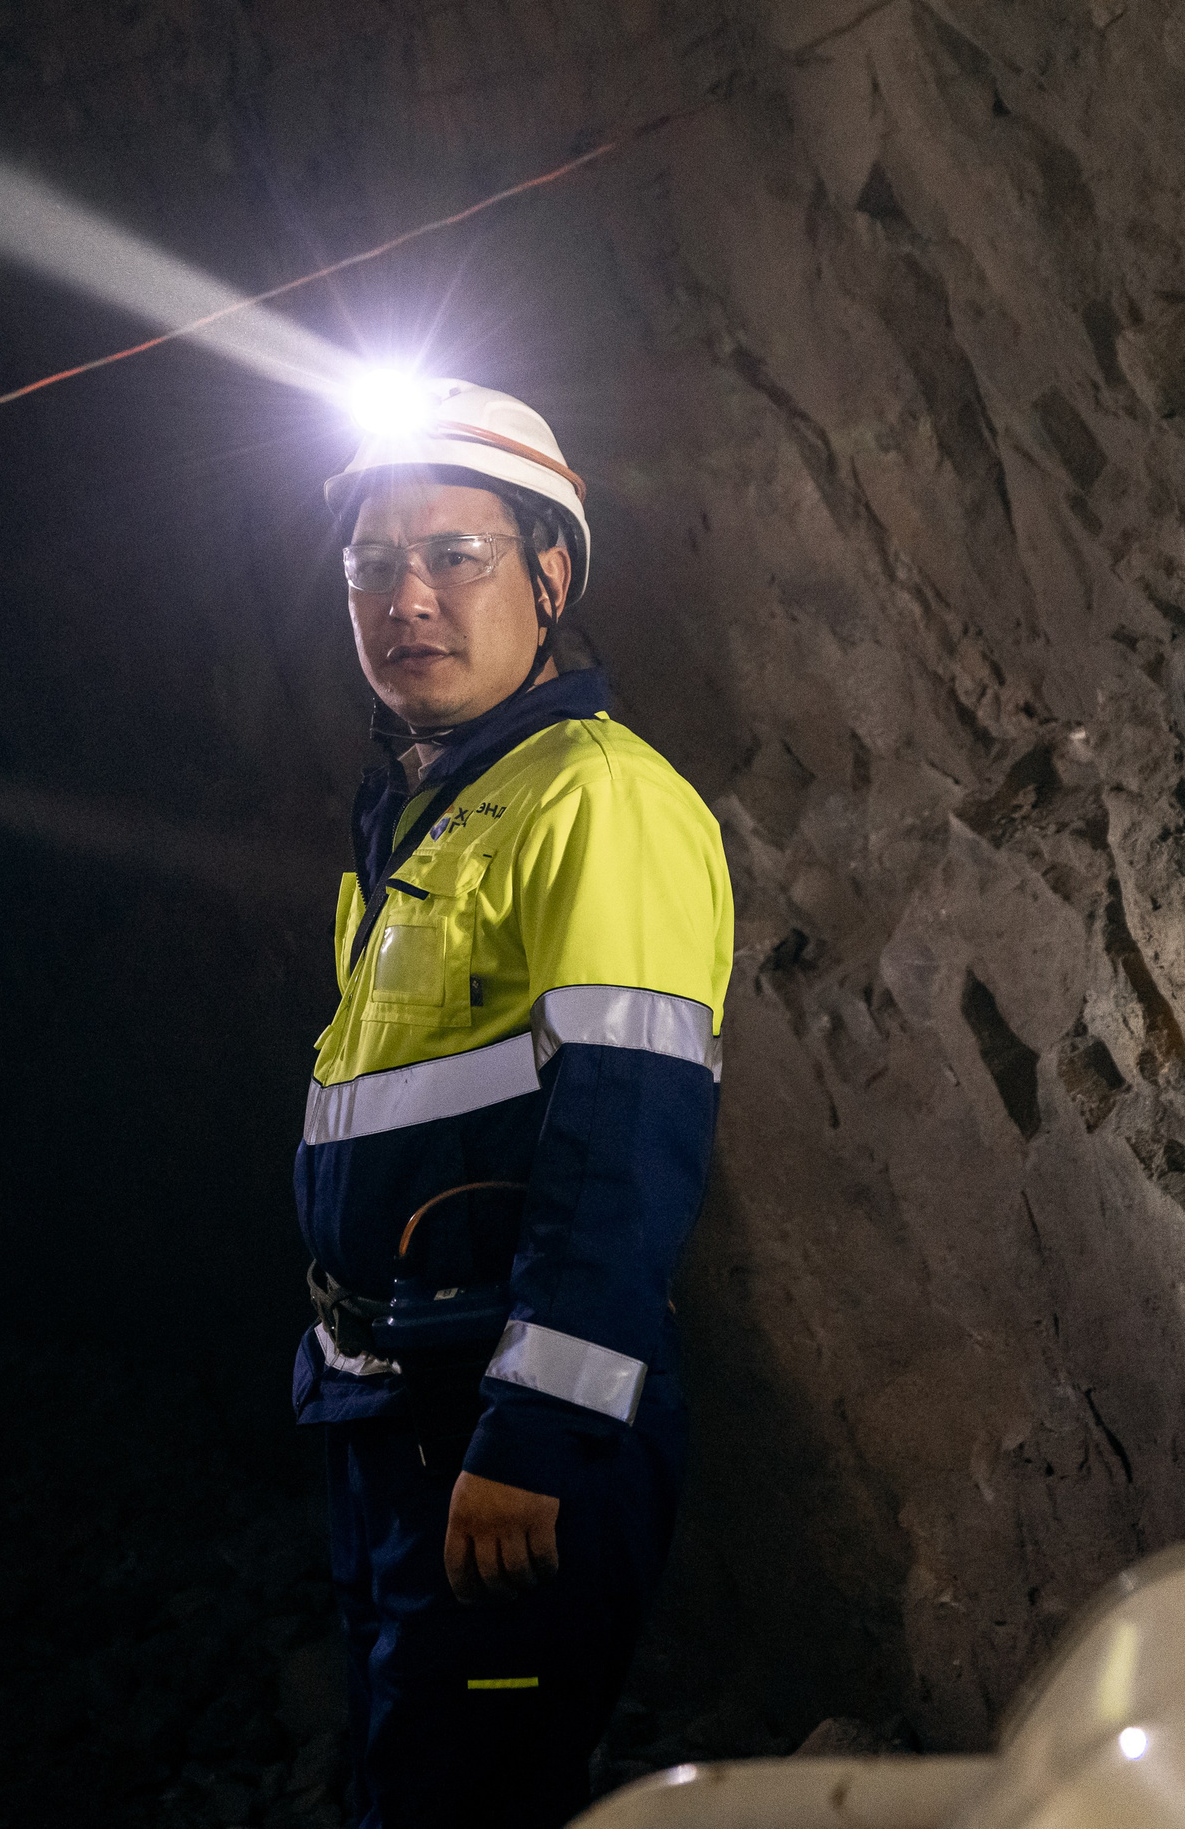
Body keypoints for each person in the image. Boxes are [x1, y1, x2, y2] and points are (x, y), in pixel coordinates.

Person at [290, 379, 733, 1827]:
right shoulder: (422, 816)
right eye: (372, 564)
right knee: (415, 1776)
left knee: (462, 1798)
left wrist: (532, 1438)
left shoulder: (593, 799)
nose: (406, 595)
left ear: (551, 577)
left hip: (500, 1424)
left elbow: (628, 1143)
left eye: (454, 556)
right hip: (400, 1417)